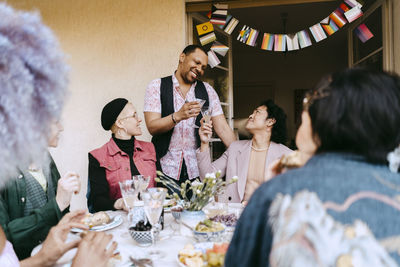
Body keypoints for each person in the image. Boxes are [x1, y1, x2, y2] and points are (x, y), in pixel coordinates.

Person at [225, 68, 400, 266]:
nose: (303, 113)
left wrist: (272, 191)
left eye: (308, 102)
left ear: (328, 117)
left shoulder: (276, 195)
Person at [0, 3, 116, 266]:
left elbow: (55, 213)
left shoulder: (44, 157)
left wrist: (66, 218)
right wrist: (57, 204)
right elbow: (7, 235)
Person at [144, 44, 236, 189]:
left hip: (196, 171)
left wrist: (241, 155)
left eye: (203, 67)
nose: (199, 69)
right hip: (164, 169)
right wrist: (177, 116)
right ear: (182, 57)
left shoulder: (207, 91)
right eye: (196, 62)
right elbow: (152, 126)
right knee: (168, 211)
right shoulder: (157, 86)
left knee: (197, 212)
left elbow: (223, 129)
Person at [0, 120, 80, 259]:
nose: (61, 127)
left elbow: (57, 211)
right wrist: (58, 204)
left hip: (57, 255)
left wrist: (69, 216)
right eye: (55, 122)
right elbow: (5, 238)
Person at [197, 100, 292, 203]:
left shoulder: (286, 155)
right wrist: (204, 143)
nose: (251, 115)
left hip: (266, 216)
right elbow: (207, 177)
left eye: (257, 112)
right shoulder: (235, 148)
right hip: (236, 215)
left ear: (270, 121)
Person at [88, 98, 156, 212]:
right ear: (120, 123)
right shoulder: (97, 156)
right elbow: (97, 201)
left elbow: (162, 187)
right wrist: (120, 203)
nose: (139, 120)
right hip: (120, 222)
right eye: (134, 116)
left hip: (152, 216)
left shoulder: (150, 148)